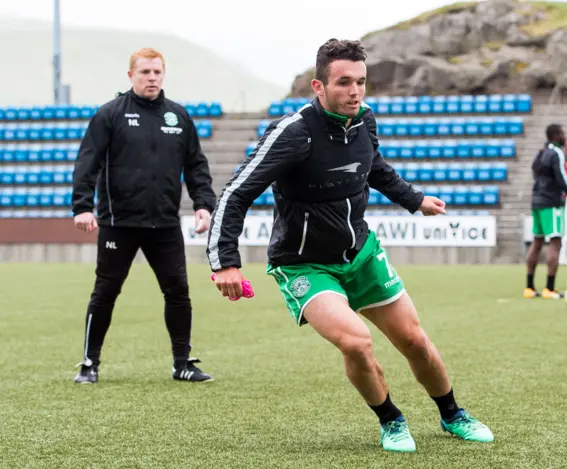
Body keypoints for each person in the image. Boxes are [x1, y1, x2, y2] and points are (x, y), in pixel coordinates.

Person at [206, 38, 493, 453]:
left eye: (361, 82)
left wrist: (414, 200)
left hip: (361, 253)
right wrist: (225, 262)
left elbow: (374, 167)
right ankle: (392, 421)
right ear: (318, 86)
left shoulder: (364, 120)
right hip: (304, 265)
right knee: (356, 341)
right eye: (343, 83)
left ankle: (452, 414)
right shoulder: (293, 133)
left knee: (413, 339)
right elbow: (236, 193)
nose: (355, 91)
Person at [71, 48, 217, 384]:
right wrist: (82, 206)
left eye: (157, 72)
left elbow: (196, 166)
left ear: (163, 75)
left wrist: (203, 204)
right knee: (105, 292)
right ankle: (89, 364)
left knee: (178, 290)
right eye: (144, 72)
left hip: (164, 224)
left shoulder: (177, 117)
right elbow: (87, 162)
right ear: (131, 76)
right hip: (118, 223)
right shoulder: (110, 115)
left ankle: (183, 363)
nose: (151, 78)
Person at [524, 124, 567, 300]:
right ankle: (550, 288)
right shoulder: (557, 153)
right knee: (555, 242)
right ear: (556, 135)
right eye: (562, 133)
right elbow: (563, 180)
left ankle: (529, 287)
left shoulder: (541, 153)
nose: (565, 136)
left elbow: (535, 173)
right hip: (552, 203)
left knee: (537, 241)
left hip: (536, 201)